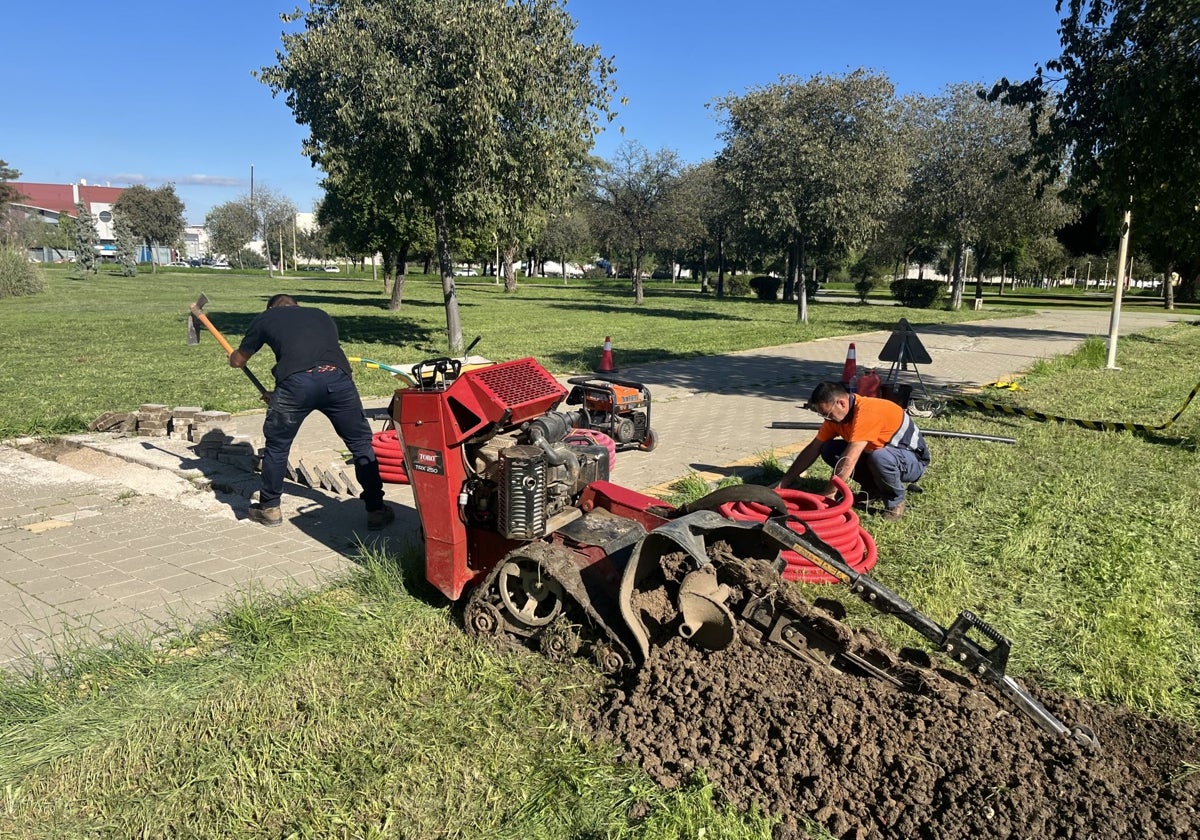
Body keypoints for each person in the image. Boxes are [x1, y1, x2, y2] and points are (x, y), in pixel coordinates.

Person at [229, 294, 393, 529]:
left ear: (272, 308)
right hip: (337, 379)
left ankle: (270, 508)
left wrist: (233, 358)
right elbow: (313, 356)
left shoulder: (266, 317)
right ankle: (377, 509)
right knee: (360, 444)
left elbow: (239, 360)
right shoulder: (320, 314)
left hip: (296, 384)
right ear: (297, 305)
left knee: (277, 446)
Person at [776, 380, 930, 520]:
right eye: (822, 415)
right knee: (828, 448)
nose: (826, 419)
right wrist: (783, 483)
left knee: (879, 457)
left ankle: (895, 502)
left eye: (827, 414)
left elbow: (850, 458)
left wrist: (829, 493)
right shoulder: (835, 418)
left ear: (841, 403)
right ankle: (873, 489)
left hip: (912, 462)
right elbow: (813, 448)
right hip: (880, 456)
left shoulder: (867, 412)